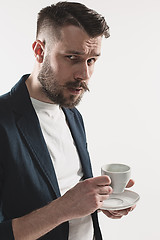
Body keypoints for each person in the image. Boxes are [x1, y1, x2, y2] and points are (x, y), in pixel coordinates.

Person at [0, 2, 135, 240]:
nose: (84, 74)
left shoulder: (72, 113)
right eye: (73, 57)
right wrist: (65, 208)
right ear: (39, 51)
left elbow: (64, 191)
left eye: (92, 60)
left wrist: (100, 201)